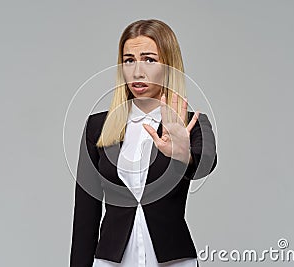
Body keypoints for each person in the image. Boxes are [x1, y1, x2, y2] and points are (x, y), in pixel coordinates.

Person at [70, 19, 217, 267]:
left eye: (149, 59)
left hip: (173, 259)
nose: (138, 71)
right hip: (110, 260)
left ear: (169, 65)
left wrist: (184, 156)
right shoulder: (97, 127)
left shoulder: (192, 123)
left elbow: (206, 164)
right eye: (129, 60)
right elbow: (86, 213)